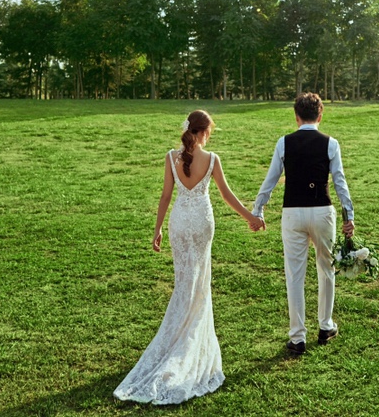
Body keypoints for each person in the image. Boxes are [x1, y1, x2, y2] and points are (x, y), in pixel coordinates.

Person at [113, 110, 265, 404]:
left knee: (184, 281)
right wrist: (250, 217)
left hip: (180, 223)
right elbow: (227, 195)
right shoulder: (212, 159)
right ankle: (186, 344)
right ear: (204, 131)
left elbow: (166, 196)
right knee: (200, 283)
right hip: (202, 223)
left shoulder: (172, 157)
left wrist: (157, 229)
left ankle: (175, 340)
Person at [251, 92, 356, 355]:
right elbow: (340, 182)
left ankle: (297, 337)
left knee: (295, 275)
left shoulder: (283, 143)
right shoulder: (331, 143)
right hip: (322, 211)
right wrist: (349, 216)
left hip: (293, 213)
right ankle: (325, 325)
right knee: (326, 268)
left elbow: (271, 179)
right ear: (320, 115)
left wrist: (259, 208)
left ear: (296, 116)